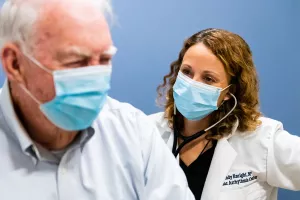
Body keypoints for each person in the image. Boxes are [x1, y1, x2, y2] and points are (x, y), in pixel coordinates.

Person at [0, 0, 195, 199]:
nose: (94, 76)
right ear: (15, 64)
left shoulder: (134, 133)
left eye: (104, 59)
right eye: (76, 61)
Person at [149, 28, 300, 200]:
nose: (192, 83)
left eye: (208, 79)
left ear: (229, 91)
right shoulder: (146, 133)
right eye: (187, 72)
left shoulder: (262, 140)